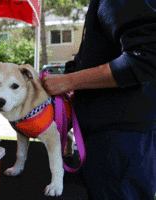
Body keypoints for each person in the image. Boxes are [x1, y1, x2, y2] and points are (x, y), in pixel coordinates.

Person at [40, 0, 156, 199]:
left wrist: (68, 81)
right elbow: (98, 56)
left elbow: (146, 58)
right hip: (113, 140)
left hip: (120, 143)